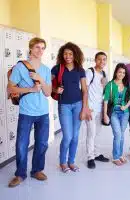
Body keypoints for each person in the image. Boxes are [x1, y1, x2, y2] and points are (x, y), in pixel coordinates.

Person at [8, 37, 52, 187]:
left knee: (42, 143)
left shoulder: (46, 69)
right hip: (26, 112)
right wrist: (31, 89)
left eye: (43, 48)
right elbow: (11, 88)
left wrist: (40, 79)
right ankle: (20, 174)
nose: (40, 51)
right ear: (31, 49)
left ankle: (37, 170)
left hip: (43, 113)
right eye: (37, 47)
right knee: (21, 144)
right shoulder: (20, 67)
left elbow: (48, 93)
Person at [51, 42, 91, 173]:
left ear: (75, 55)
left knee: (75, 136)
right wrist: (55, 90)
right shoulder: (57, 69)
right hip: (64, 106)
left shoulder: (80, 70)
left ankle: (71, 161)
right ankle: (63, 162)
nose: (67, 56)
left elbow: (85, 90)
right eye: (65, 53)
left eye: (70, 54)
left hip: (78, 104)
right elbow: (48, 86)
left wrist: (85, 108)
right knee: (67, 136)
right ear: (62, 55)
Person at [103, 63, 130, 166]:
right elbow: (106, 101)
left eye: (123, 72)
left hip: (125, 114)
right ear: (116, 72)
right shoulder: (110, 85)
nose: (121, 74)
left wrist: (125, 107)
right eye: (120, 72)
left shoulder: (126, 85)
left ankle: (120, 155)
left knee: (121, 135)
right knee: (118, 134)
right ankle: (115, 157)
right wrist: (105, 115)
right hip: (114, 114)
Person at [85, 52, 110, 169]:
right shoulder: (90, 72)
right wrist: (86, 108)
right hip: (91, 108)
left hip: (100, 108)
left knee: (98, 133)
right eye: (99, 59)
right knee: (91, 133)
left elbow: (105, 92)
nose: (102, 62)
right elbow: (84, 90)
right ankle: (90, 157)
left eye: (104, 60)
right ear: (95, 60)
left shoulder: (104, 73)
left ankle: (96, 153)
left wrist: (105, 85)